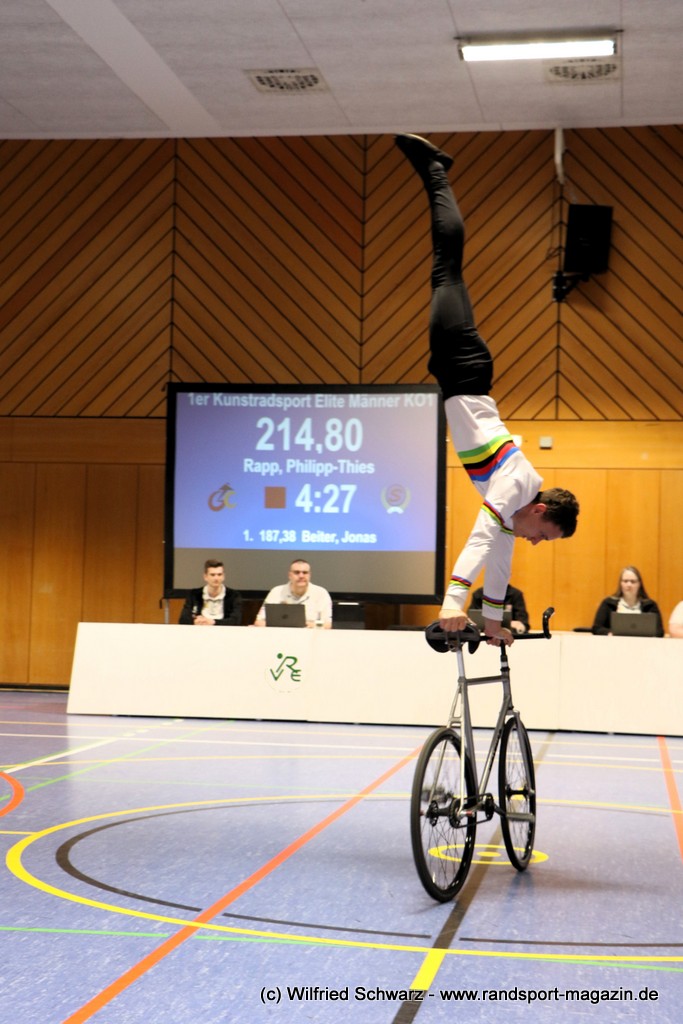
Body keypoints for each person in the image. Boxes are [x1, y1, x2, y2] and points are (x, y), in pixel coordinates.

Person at [394, 133, 579, 646]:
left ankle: (435, 171)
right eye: (544, 535)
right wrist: (454, 598)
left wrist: (495, 624)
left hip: (459, 375)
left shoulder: (516, 500)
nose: (535, 542)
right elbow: (482, 535)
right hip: (464, 369)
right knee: (446, 264)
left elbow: (499, 558)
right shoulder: (517, 484)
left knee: (446, 267)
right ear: (539, 511)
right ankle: (435, 170)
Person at [253, 558, 333, 629]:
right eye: (297, 572)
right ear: (289, 575)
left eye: (305, 572)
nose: (301, 576)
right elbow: (258, 622)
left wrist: (310, 625)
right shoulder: (276, 592)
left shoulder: (321, 593)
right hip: (280, 637)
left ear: (310, 575)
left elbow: (328, 625)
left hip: (310, 637)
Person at [591, 566, 664, 636]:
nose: (629, 585)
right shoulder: (608, 603)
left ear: (639, 584)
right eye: (625, 581)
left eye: (633, 582)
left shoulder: (650, 606)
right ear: (620, 583)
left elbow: (659, 631)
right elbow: (597, 628)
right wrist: (610, 633)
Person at [179, 559, 243, 626]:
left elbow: (236, 620)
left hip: (224, 631)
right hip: (199, 630)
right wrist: (195, 621)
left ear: (223, 576)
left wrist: (213, 622)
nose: (216, 578)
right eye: (212, 575)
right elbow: (183, 619)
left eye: (219, 574)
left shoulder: (234, 595)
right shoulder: (194, 595)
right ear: (205, 577)